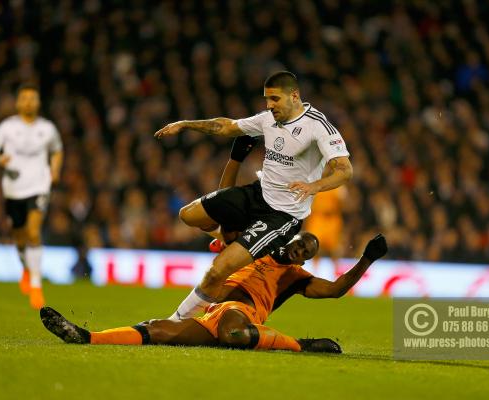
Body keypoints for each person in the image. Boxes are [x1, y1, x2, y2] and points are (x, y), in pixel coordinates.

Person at [154, 71, 354, 320]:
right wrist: (185, 125)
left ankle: (175, 322)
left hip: (282, 215)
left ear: (294, 96)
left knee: (218, 271)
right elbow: (226, 126)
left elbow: (345, 170)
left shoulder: (318, 126)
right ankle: (226, 238)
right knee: (188, 215)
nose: (269, 105)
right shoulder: (267, 119)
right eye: (266, 99)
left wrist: (315, 186)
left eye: (274, 99)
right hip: (257, 194)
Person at [40, 233, 388, 353]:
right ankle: (87, 338)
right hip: (213, 311)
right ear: (292, 240)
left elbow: (338, 290)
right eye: (300, 246)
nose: (300, 253)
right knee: (162, 329)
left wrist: (367, 258)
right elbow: (220, 242)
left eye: (307, 253)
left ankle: (303, 345)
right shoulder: (259, 248)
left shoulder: (296, 278)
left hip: (243, 313)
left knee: (234, 333)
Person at [0, 84, 64, 309]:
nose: (29, 102)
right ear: (18, 103)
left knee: (33, 231)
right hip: (13, 188)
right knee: (19, 236)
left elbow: (57, 150)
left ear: (38, 103)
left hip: (39, 185)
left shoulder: (47, 128)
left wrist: (55, 170)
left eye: (33, 99)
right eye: (24, 99)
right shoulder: (7, 127)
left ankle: (37, 286)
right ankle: (26, 269)